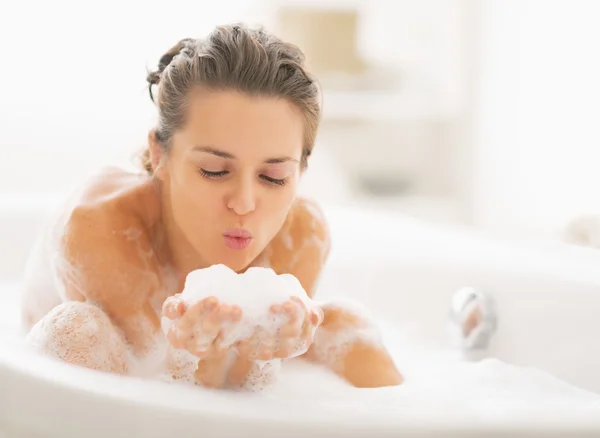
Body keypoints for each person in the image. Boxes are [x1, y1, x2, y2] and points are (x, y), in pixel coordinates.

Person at [20, 23, 403, 389]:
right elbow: (156, 392)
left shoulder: (302, 235)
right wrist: (210, 353)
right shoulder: (101, 229)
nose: (244, 203)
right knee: (78, 330)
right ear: (160, 154)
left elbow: (244, 385)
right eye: (214, 170)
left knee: (345, 326)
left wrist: (271, 349)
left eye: (273, 177)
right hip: (62, 376)